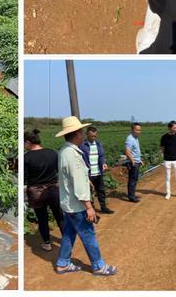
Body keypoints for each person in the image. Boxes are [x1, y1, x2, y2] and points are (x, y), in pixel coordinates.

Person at [55, 116, 117, 276]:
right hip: (77, 205)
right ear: (76, 134)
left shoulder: (65, 151)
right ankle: (98, 266)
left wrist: (86, 180)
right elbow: (78, 184)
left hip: (69, 204)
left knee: (69, 233)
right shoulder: (73, 155)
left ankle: (63, 263)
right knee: (88, 234)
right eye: (81, 131)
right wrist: (89, 207)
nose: (83, 134)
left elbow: (73, 178)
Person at [24, 129, 64, 251]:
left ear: (27, 142)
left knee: (42, 218)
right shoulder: (52, 153)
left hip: (36, 192)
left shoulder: (26, 157)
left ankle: (47, 243)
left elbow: (24, 177)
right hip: (53, 189)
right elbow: (59, 170)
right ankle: (67, 239)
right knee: (59, 215)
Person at [80, 126, 114, 214]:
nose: (93, 138)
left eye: (95, 136)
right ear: (87, 135)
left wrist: (103, 163)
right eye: (91, 136)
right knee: (89, 192)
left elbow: (101, 156)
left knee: (101, 190)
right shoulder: (82, 146)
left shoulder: (98, 144)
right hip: (89, 173)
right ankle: (91, 209)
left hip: (98, 172)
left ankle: (103, 207)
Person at [161, 121, 176, 200]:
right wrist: (165, 156)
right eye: (174, 127)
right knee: (167, 177)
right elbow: (162, 149)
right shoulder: (164, 137)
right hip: (167, 160)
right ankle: (168, 193)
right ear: (169, 128)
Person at [124, 122, 143, 203]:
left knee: (134, 179)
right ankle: (131, 197)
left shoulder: (135, 138)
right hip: (133, 163)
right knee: (132, 179)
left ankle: (132, 194)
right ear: (132, 130)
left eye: (140, 130)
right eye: (137, 130)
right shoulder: (130, 139)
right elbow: (127, 152)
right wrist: (133, 161)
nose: (139, 132)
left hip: (136, 161)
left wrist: (139, 160)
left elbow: (135, 151)